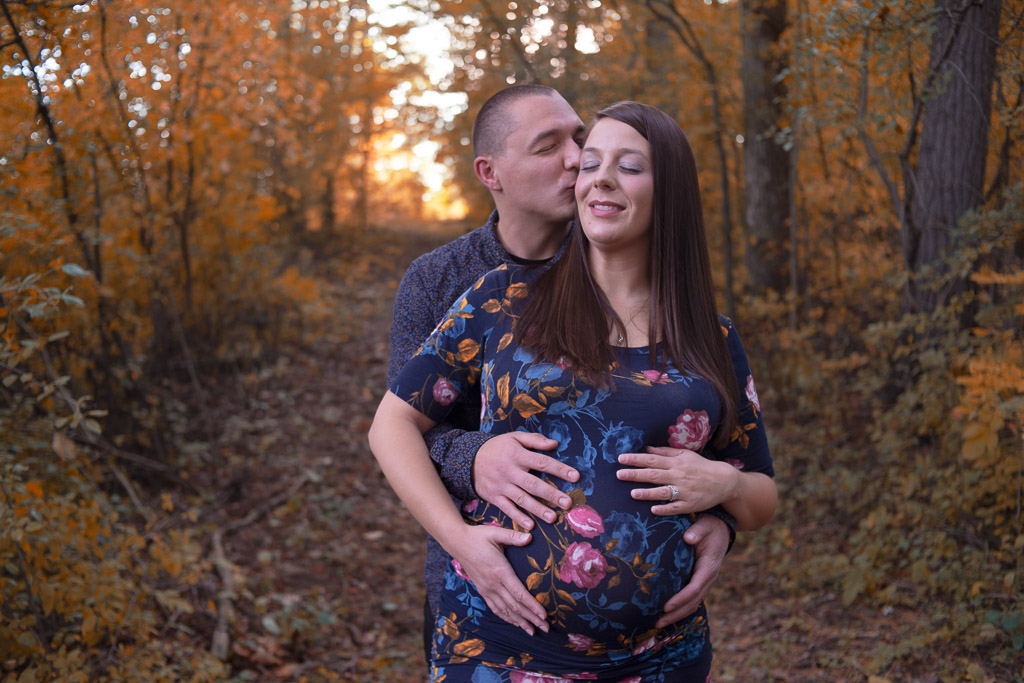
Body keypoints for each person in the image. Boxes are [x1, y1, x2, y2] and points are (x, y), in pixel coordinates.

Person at [372, 101, 777, 681]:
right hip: (501, 647)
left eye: (627, 166)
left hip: (663, 657)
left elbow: (759, 491)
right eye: (591, 164)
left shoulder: (711, 336)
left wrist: (726, 492)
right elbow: (394, 426)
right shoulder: (499, 297)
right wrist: (462, 533)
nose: (594, 175)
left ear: (670, 192)